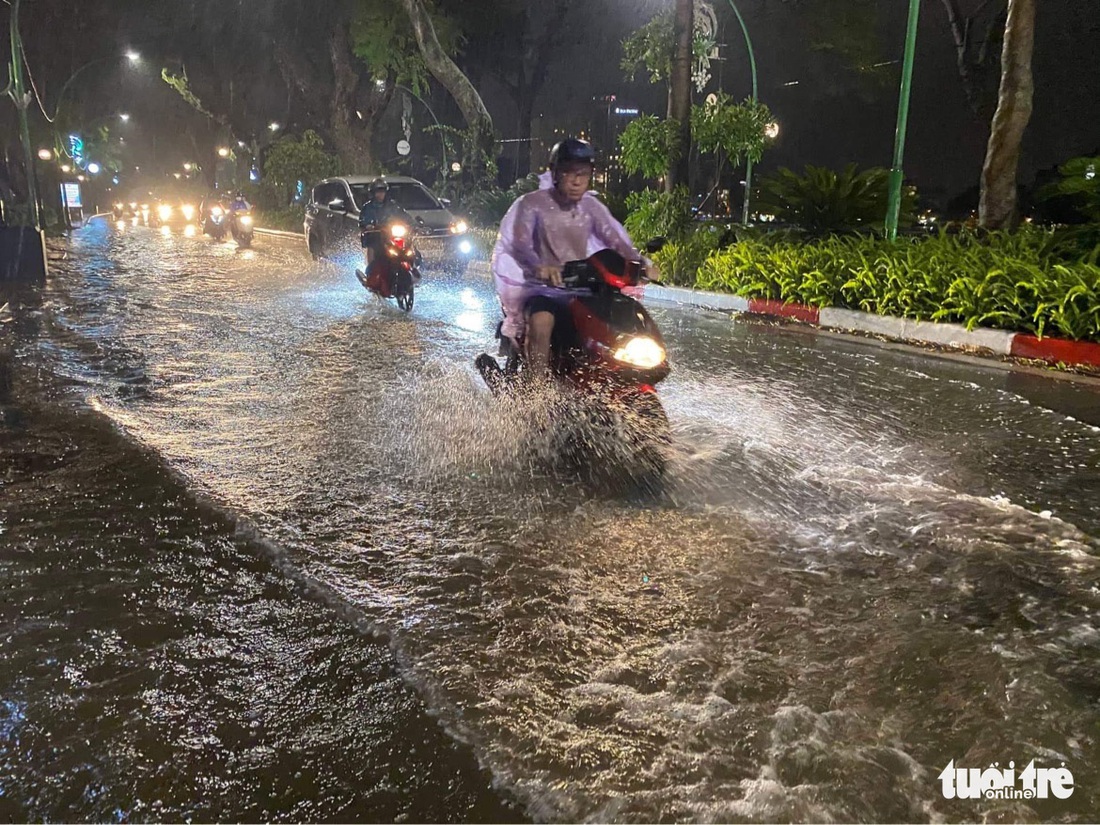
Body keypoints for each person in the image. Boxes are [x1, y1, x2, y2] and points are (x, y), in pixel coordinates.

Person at [492, 138, 655, 377]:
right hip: (542, 289)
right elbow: (520, 243)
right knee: (542, 321)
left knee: (620, 320)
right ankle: (537, 393)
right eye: (569, 172)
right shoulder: (532, 204)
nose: (577, 180)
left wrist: (642, 264)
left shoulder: (591, 207)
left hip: (582, 290)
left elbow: (617, 239)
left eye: (583, 173)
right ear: (554, 171)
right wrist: (540, 267)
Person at [358, 179, 411, 269]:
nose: (380, 194)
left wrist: (412, 223)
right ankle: (371, 270)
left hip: (390, 235)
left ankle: (410, 265)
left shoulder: (392, 205)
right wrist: (368, 225)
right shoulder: (368, 207)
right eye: (378, 192)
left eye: (382, 192)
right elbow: (363, 220)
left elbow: (403, 215)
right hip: (376, 236)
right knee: (372, 246)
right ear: (373, 193)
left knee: (407, 243)